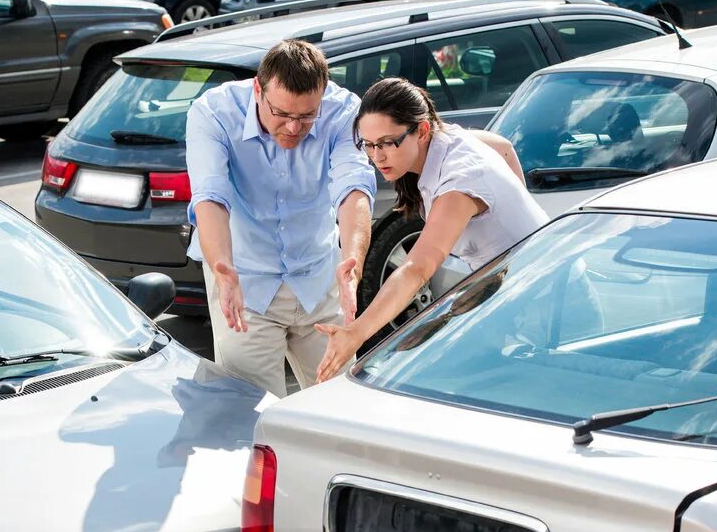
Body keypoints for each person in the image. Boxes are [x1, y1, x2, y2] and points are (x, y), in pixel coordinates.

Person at [315, 77, 548, 382]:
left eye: (388, 143)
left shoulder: (460, 180)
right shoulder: (447, 138)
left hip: (546, 307)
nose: (377, 156)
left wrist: (355, 334)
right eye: (368, 144)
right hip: (512, 294)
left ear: (421, 130)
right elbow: (503, 148)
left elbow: (417, 268)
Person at [185, 39, 376, 397]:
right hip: (244, 285)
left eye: (306, 116)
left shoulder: (344, 110)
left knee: (338, 405)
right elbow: (210, 195)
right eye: (282, 114)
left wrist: (352, 263)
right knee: (253, 419)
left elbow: (354, 187)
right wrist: (222, 267)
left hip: (318, 278)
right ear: (258, 89)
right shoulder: (212, 112)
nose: (293, 127)